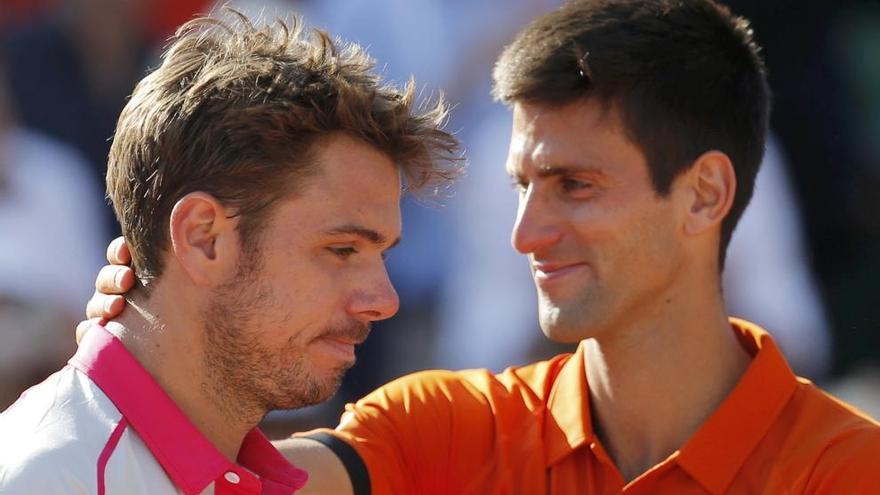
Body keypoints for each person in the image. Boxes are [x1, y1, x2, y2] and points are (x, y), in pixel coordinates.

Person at [83, 0, 880, 494]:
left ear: (705, 193)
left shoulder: (848, 471)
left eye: (575, 185)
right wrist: (157, 341)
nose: (526, 233)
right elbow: (210, 483)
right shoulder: (442, 427)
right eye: (522, 185)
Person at [0, 10, 458, 495]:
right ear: (204, 239)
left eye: (382, 256)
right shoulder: (48, 478)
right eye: (343, 249)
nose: (384, 301)